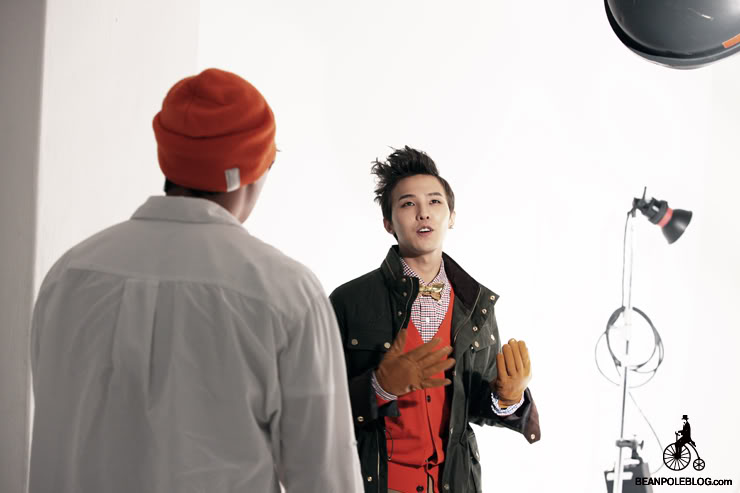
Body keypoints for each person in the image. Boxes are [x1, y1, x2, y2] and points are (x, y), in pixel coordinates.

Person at [29, 68, 363, 493]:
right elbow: (326, 477)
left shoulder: (70, 275)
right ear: (254, 168)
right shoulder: (286, 293)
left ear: (167, 158)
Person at [329, 146, 540, 493]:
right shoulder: (348, 302)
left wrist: (509, 399)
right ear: (388, 223)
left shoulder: (476, 306)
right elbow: (313, 407)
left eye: (435, 202)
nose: (423, 213)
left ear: (451, 216)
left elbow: (476, 404)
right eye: (407, 204)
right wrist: (379, 386)